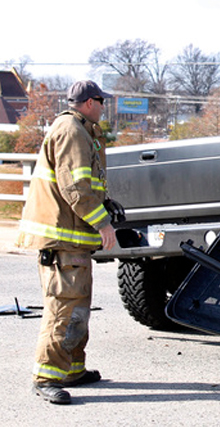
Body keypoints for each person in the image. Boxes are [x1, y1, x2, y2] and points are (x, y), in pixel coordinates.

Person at [17, 80, 119, 405]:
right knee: (63, 308)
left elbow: (86, 184)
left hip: (71, 241)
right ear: (90, 102)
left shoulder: (80, 129)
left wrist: (107, 205)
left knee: (78, 306)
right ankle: (46, 377)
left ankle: (72, 368)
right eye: (102, 101)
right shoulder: (73, 131)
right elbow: (74, 188)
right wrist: (103, 223)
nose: (104, 107)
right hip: (61, 241)